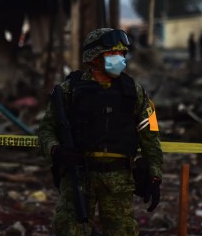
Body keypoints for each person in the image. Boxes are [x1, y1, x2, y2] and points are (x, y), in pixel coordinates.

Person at [37, 28, 163, 236]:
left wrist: (155, 176)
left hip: (119, 181)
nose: (119, 58)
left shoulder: (135, 92)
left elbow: (151, 135)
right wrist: (56, 151)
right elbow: (46, 130)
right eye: (112, 53)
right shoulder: (69, 90)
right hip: (79, 177)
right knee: (71, 230)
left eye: (122, 53)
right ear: (94, 57)